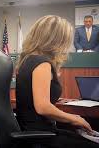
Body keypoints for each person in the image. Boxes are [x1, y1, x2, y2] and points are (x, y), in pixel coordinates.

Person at [16, 15, 99, 148]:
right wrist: (75, 118)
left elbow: (32, 97)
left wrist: (56, 99)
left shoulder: (28, 59)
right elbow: (43, 107)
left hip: (33, 130)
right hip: (41, 136)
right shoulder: (42, 63)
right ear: (56, 39)